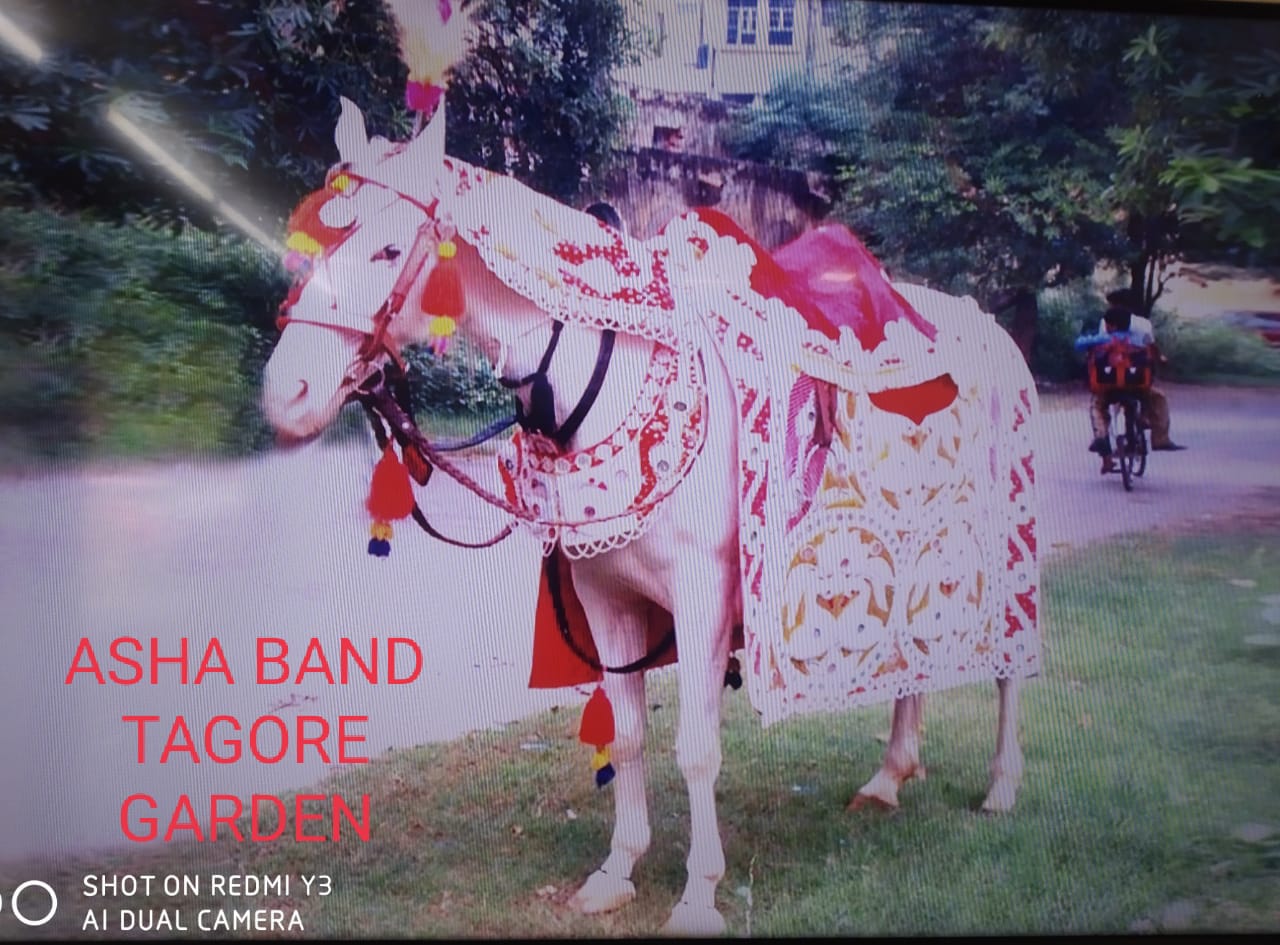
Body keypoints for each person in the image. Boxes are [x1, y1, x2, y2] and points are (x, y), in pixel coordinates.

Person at [1098, 288, 1185, 452]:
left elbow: (1100, 348)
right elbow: (1151, 346)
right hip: (1137, 380)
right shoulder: (1143, 324)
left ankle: (1101, 438)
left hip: (1112, 380)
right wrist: (1160, 358)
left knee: (1099, 405)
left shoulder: (1105, 323)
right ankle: (1160, 439)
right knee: (1158, 398)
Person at [1074, 305, 1157, 473]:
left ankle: (1102, 444)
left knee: (1097, 408)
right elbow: (1152, 351)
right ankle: (1143, 425)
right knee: (1146, 398)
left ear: (1111, 325)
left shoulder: (1103, 339)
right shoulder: (1139, 339)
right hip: (1136, 386)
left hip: (1109, 388)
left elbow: (1078, 344)